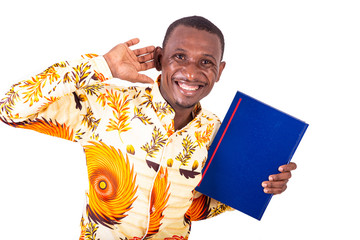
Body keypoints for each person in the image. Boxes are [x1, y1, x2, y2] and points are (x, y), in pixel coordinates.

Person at [0, 16, 296, 240]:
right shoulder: (107, 106)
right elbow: (10, 109)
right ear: (159, 59)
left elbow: (196, 208)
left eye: (206, 62)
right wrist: (102, 66)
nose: (191, 72)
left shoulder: (219, 135)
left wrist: (260, 185)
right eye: (180, 56)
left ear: (219, 71)